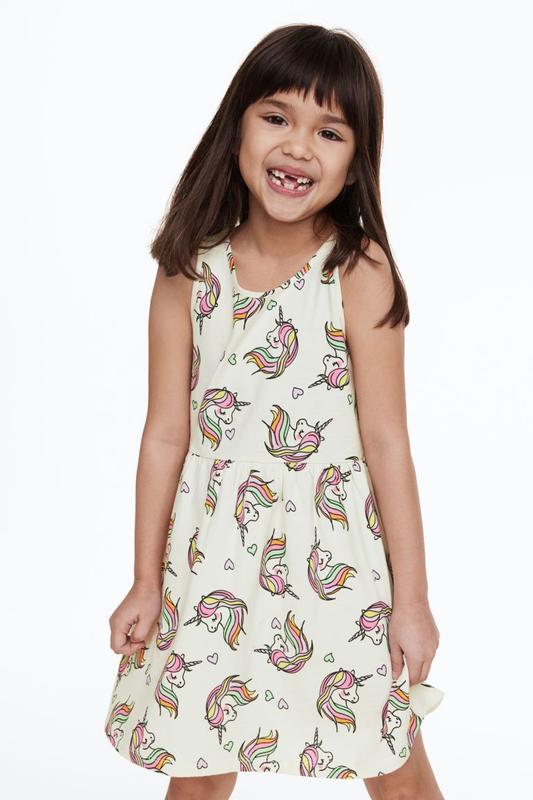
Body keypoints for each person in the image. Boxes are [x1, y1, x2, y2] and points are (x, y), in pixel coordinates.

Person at [103, 23, 445, 800]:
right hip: (211, 558)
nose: (298, 146)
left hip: (337, 566)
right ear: (236, 128)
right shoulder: (189, 269)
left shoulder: (354, 269)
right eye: (276, 117)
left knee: (389, 762)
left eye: (329, 131)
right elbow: (165, 435)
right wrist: (145, 581)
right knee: (196, 764)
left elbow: (386, 441)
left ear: (355, 161)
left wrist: (412, 602)